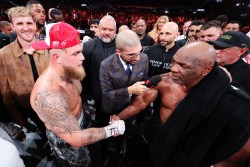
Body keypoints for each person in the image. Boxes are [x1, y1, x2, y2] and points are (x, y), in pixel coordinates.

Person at [112, 41, 250, 167]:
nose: (173, 69)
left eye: (183, 66)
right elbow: (140, 103)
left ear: (206, 69)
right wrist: (118, 117)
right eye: (173, 62)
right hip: (159, 141)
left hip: (192, 154)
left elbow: (236, 150)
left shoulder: (231, 101)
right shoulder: (164, 80)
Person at [30, 22, 125, 167]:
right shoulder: (48, 96)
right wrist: (112, 129)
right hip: (67, 138)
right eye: (75, 53)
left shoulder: (71, 70)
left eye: (80, 51)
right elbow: (76, 139)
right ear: (56, 57)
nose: (82, 57)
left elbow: (78, 96)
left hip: (79, 120)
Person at [100, 29, 149, 167]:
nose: (137, 58)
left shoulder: (144, 58)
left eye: (139, 52)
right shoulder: (106, 65)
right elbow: (106, 94)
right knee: (113, 141)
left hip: (132, 109)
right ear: (118, 52)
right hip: (111, 109)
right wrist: (129, 90)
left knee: (130, 138)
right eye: (132, 55)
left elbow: (144, 82)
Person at [0, 6, 49, 131]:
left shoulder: (49, 47)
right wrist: (21, 120)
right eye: (20, 23)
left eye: (29, 23)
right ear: (13, 26)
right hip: (29, 113)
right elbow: (7, 95)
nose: (26, 28)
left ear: (34, 24)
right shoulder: (3, 54)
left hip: (53, 108)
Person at [82, 15, 117, 127]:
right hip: (98, 95)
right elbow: (84, 73)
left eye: (110, 30)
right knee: (102, 122)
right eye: (104, 29)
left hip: (120, 94)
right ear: (98, 28)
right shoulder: (88, 47)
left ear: (115, 31)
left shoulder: (123, 45)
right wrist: (85, 95)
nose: (107, 32)